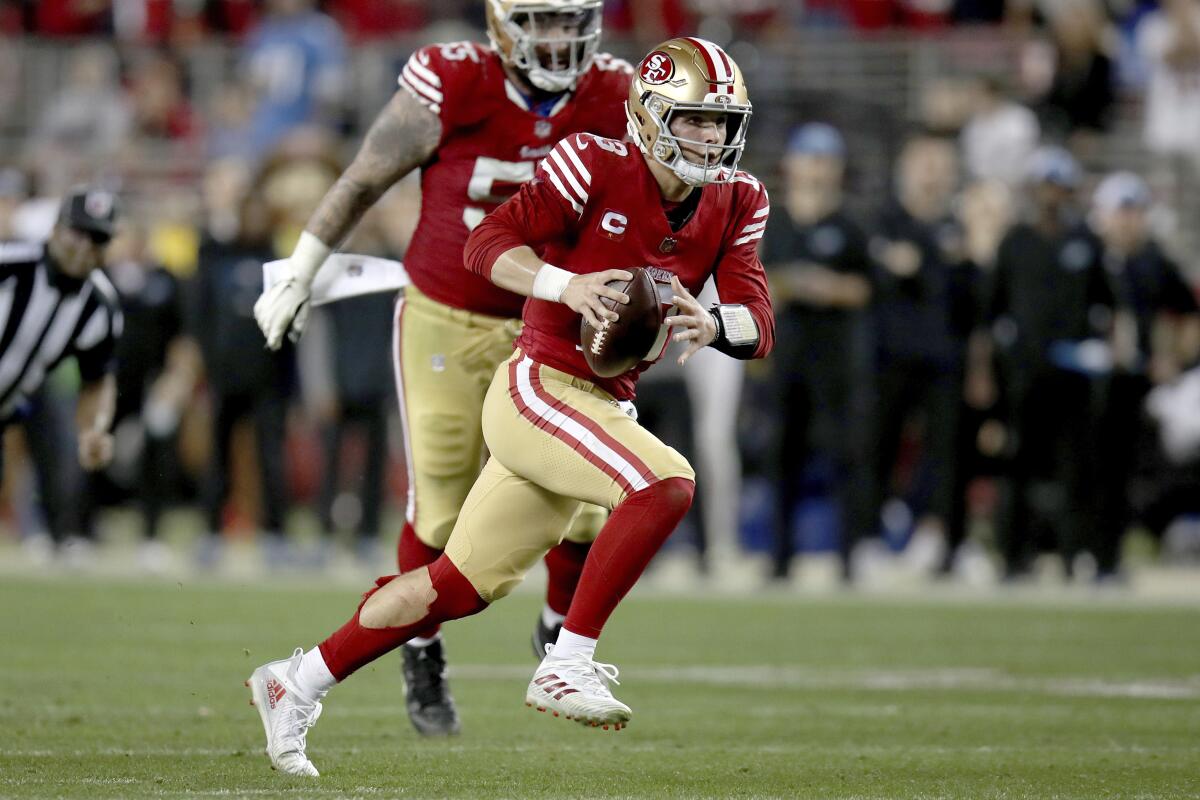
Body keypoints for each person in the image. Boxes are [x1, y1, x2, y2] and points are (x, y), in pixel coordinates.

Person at [246, 37, 773, 777]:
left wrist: (713, 324)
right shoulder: (592, 160)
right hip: (540, 386)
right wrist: (568, 286)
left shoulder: (740, 197)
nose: (712, 137)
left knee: (452, 589)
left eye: (722, 122)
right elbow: (486, 241)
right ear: (651, 117)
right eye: (694, 120)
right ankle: (569, 658)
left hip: (601, 401)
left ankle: (293, 681)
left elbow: (758, 316)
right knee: (665, 483)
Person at [253, 0, 632, 737]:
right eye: (541, 21)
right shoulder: (451, 78)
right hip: (446, 318)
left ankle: (558, 635)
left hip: (552, 325)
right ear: (500, 24)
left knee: (590, 500)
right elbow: (365, 177)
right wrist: (302, 270)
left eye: (570, 20)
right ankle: (421, 651)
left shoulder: (616, 92)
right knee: (441, 506)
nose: (558, 37)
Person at [985, 146, 1114, 579]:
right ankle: (1012, 557)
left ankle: (1077, 555)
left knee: (1078, 466)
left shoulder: (1086, 242)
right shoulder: (1015, 241)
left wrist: (1104, 350)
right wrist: (988, 374)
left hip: (1075, 374)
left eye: (1059, 186)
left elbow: (1108, 306)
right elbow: (992, 313)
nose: (1052, 195)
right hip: (1023, 372)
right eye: (1046, 185)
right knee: (1018, 464)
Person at [760, 123, 872, 580]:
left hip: (835, 358)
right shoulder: (773, 220)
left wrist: (827, 288)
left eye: (825, 160)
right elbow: (754, 281)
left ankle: (849, 557)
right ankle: (780, 558)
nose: (817, 169)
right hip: (787, 355)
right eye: (810, 158)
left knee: (844, 456)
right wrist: (788, 284)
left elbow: (865, 288)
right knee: (781, 454)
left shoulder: (850, 225)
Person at [1089, 171, 1200, 579]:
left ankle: (1113, 554)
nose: (1128, 220)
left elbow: (1189, 313)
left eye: (1134, 212)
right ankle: (1082, 550)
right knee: (1087, 469)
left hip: (1137, 384)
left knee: (1128, 473)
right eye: (1122, 211)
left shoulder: (1154, 262)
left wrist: (1173, 358)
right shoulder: (1087, 255)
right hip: (1086, 382)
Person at [0, 186, 123, 500]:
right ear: (55, 229)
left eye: (97, 238)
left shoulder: (100, 308)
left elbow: (97, 378)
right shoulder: (10, 262)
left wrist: (94, 429)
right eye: (78, 233)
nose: (84, 247)